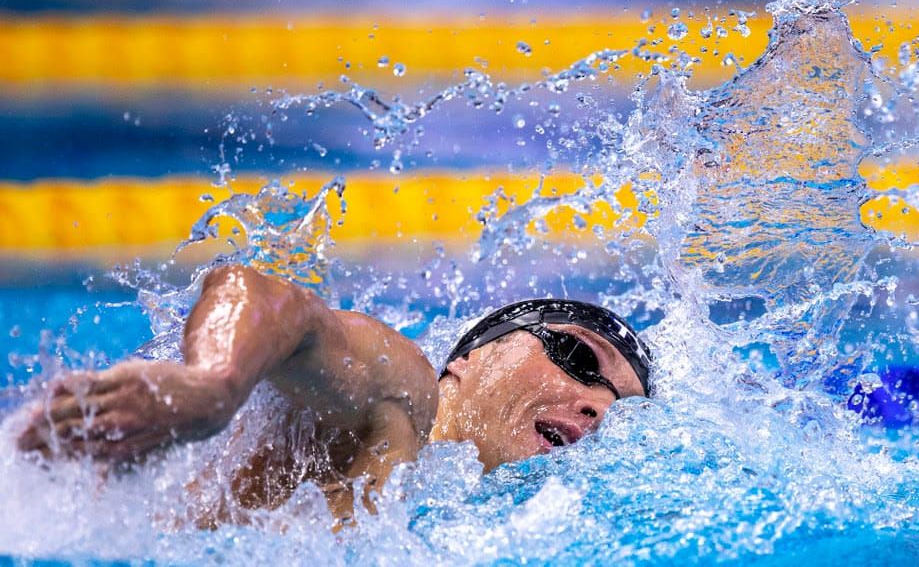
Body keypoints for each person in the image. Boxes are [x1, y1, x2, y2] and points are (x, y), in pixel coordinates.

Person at [16, 264, 652, 525]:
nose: (596, 406)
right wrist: (210, 387)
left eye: (620, 409)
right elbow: (269, 298)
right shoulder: (404, 402)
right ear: (466, 361)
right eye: (576, 359)